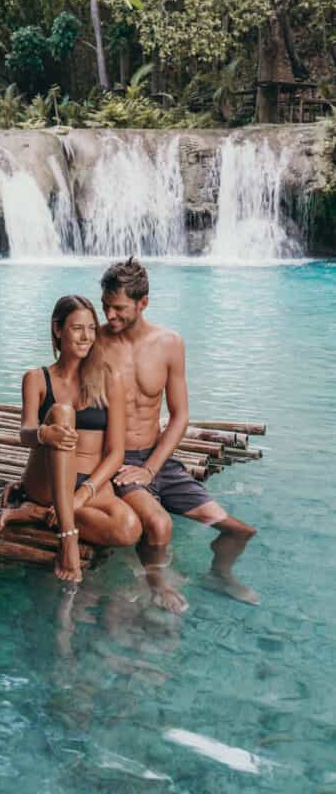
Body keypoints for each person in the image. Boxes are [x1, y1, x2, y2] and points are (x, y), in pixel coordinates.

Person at [84, 257, 258, 609]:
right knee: (159, 526)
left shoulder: (170, 343)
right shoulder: (93, 343)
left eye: (118, 308)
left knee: (239, 530)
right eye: (105, 306)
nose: (109, 316)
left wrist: (151, 467)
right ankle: (155, 584)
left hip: (158, 461)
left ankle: (219, 574)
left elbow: (179, 416)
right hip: (117, 461)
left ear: (142, 302)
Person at [0, 295, 142, 584]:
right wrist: (43, 433)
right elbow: (25, 434)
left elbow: (115, 452)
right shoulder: (36, 379)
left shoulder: (109, 379)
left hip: (90, 483)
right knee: (62, 413)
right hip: (46, 480)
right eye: (77, 328)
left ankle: (37, 514)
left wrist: (82, 495)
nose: (87, 336)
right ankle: (67, 538)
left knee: (129, 528)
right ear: (58, 329)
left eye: (91, 328)